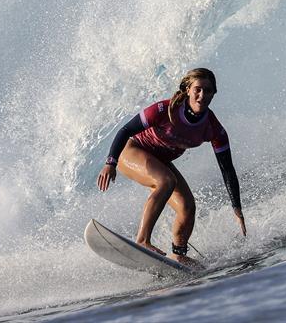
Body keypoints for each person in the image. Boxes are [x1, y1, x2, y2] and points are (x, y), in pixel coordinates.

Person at [97, 68, 246, 265]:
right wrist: (110, 163)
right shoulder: (164, 110)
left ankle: (179, 254)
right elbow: (126, 130)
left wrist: (237, 209)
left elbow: (227, 169)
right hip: (131, 151)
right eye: (198, 90)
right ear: (187, 90)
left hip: (160, 162)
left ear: (213, 94)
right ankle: (142, 240)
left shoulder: (213, 128)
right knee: (166, 180)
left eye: (208, 91)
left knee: (187, 207)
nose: (202, 96)